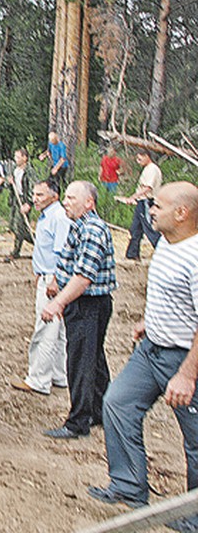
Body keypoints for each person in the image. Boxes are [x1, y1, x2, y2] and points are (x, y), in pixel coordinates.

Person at [87, 183, 198, 530]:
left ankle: (193, 516)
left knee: (196, 441)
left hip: (184, 358)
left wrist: (187, 375)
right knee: (118, 403)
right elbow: (171, 294)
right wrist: (149, 320)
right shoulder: (167, 242)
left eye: (158, 206)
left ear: (181, 213)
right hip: (152, 350)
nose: (150, 210)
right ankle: (129, 484)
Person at [41, 181, 117, 439]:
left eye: (72, 198)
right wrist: (57, 280)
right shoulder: (80, 226)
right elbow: (71, 264)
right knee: (93, 359)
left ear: (89, 203)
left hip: (88, 304)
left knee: (81, 361)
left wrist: (58, 302)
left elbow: (84, 277)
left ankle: (78, 423)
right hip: (85, 303)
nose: (66, 202)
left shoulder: (92, 230)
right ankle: (100, 412)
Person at [10, 180, 72, 395]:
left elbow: (61, 251)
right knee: (58, 329)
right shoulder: (48, 216)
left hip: (53, 280)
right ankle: (59, 374)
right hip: (46, 276)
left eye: (40, 195)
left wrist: (53, 278)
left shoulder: (58, 217)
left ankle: (38, 379)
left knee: (45, 327)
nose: (35, 198)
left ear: (54, 196)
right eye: (34, 194)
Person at [117, 150, 162, 260]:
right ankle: (132, 253)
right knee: (135, 229)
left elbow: (148, 188)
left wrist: (133, 197)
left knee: (150, 228)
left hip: (147, 201)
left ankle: (162, 250)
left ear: (147, 156)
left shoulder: (152, 169)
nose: (138, 162)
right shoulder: (147, 169)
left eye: (140, 159)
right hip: (141, 202)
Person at [5, 148, 37, 262]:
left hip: (24, 200)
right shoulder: (14, 169)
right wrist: (9, 182)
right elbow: (8, 185)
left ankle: (16, 251)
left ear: (25, 158)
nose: (16, 159)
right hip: (15, 200)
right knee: (14, 226)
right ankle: (39, 243)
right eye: (15, 157)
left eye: (18, 157)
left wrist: (28, 203)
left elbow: (33, 187)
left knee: (20, 227)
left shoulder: (29, 171)